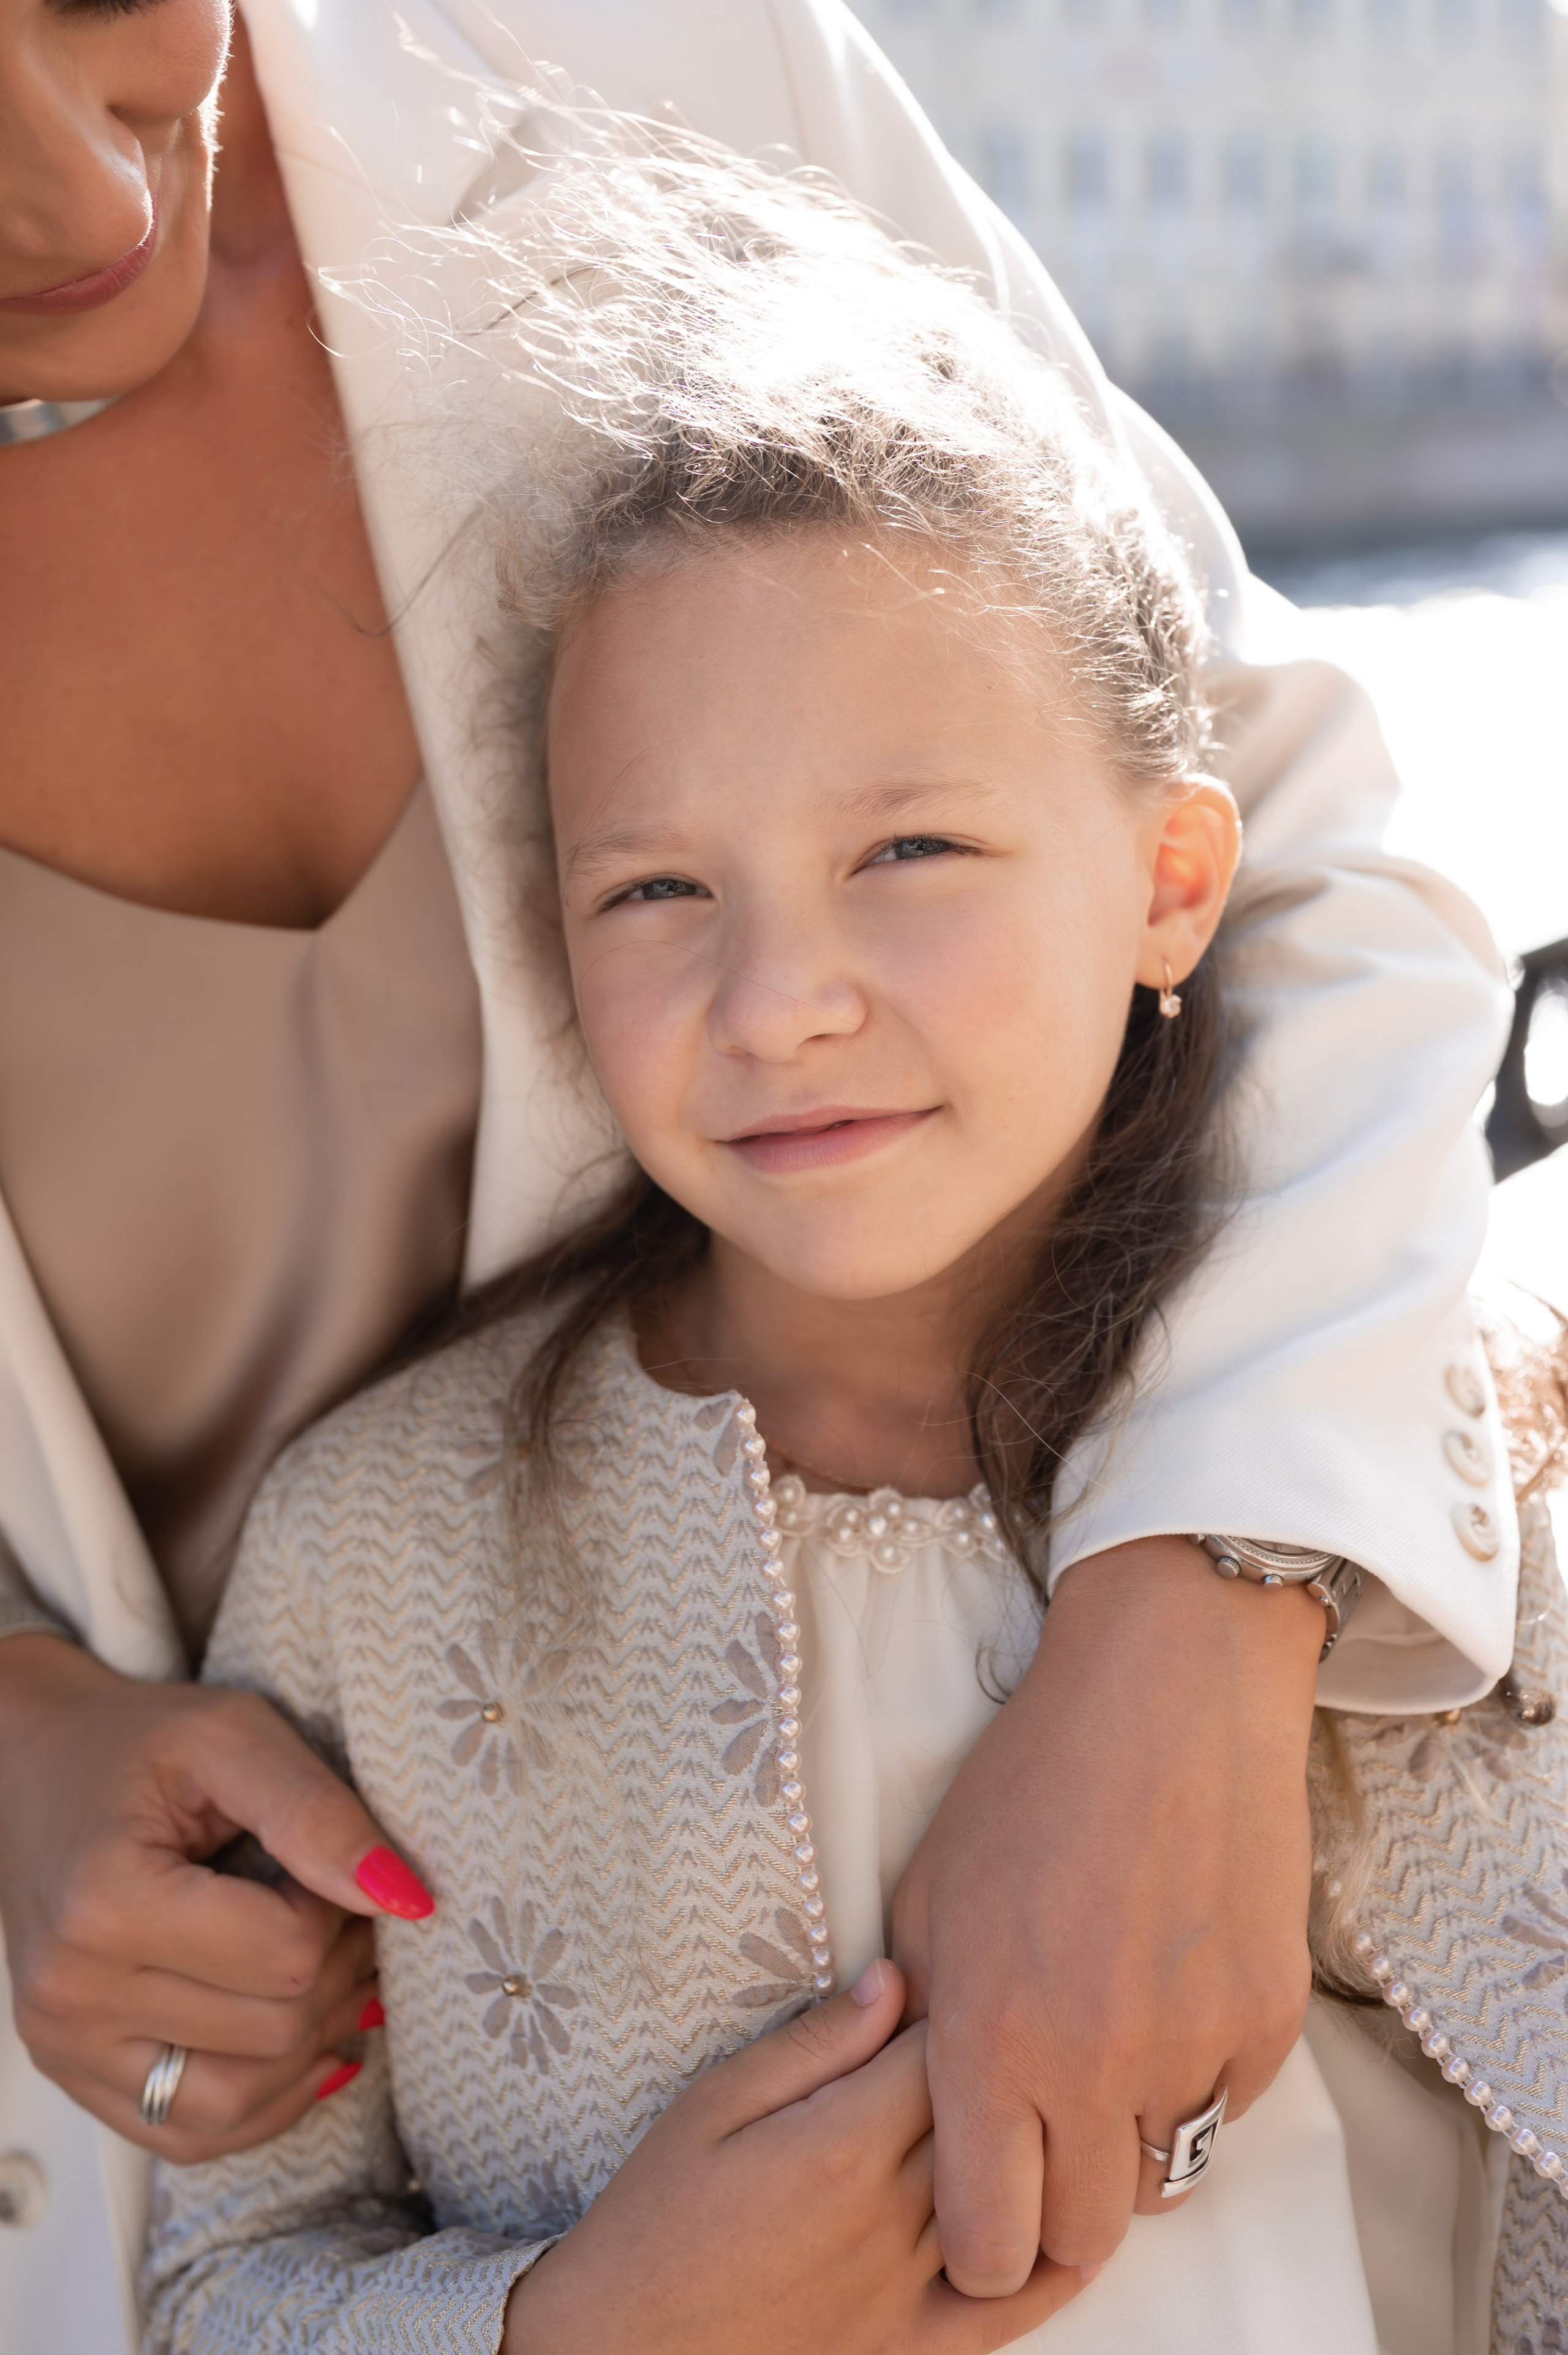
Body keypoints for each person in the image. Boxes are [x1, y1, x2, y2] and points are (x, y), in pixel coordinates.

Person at [0, 1, 1513, 2347]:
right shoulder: (372, 1558)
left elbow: (1267, 810)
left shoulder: (639, 48)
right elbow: (247, 2281)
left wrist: (1208, 1600)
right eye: (654, 894)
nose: (88, 205)